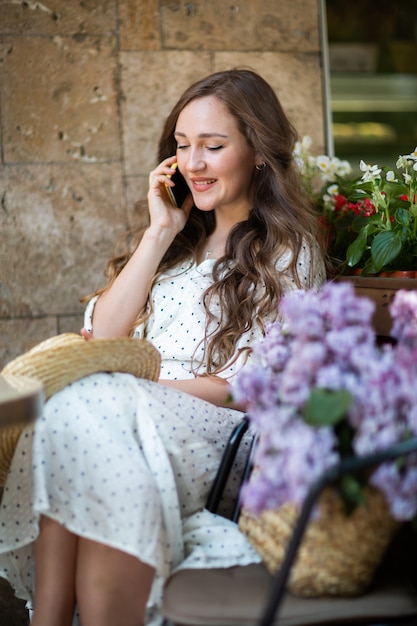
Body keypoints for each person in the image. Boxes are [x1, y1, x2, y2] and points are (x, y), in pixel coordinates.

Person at [0, 68, 326, 626]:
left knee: (80, 405)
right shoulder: (176, 244)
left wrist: (132, 388)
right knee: (75, 410)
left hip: (215, 430)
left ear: (260, 152)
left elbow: (253, 386)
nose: (193, 164)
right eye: (182, 146)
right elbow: (102, 340)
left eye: (213, 146)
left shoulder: (287, 251)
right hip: (124, 409)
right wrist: (159, 233)